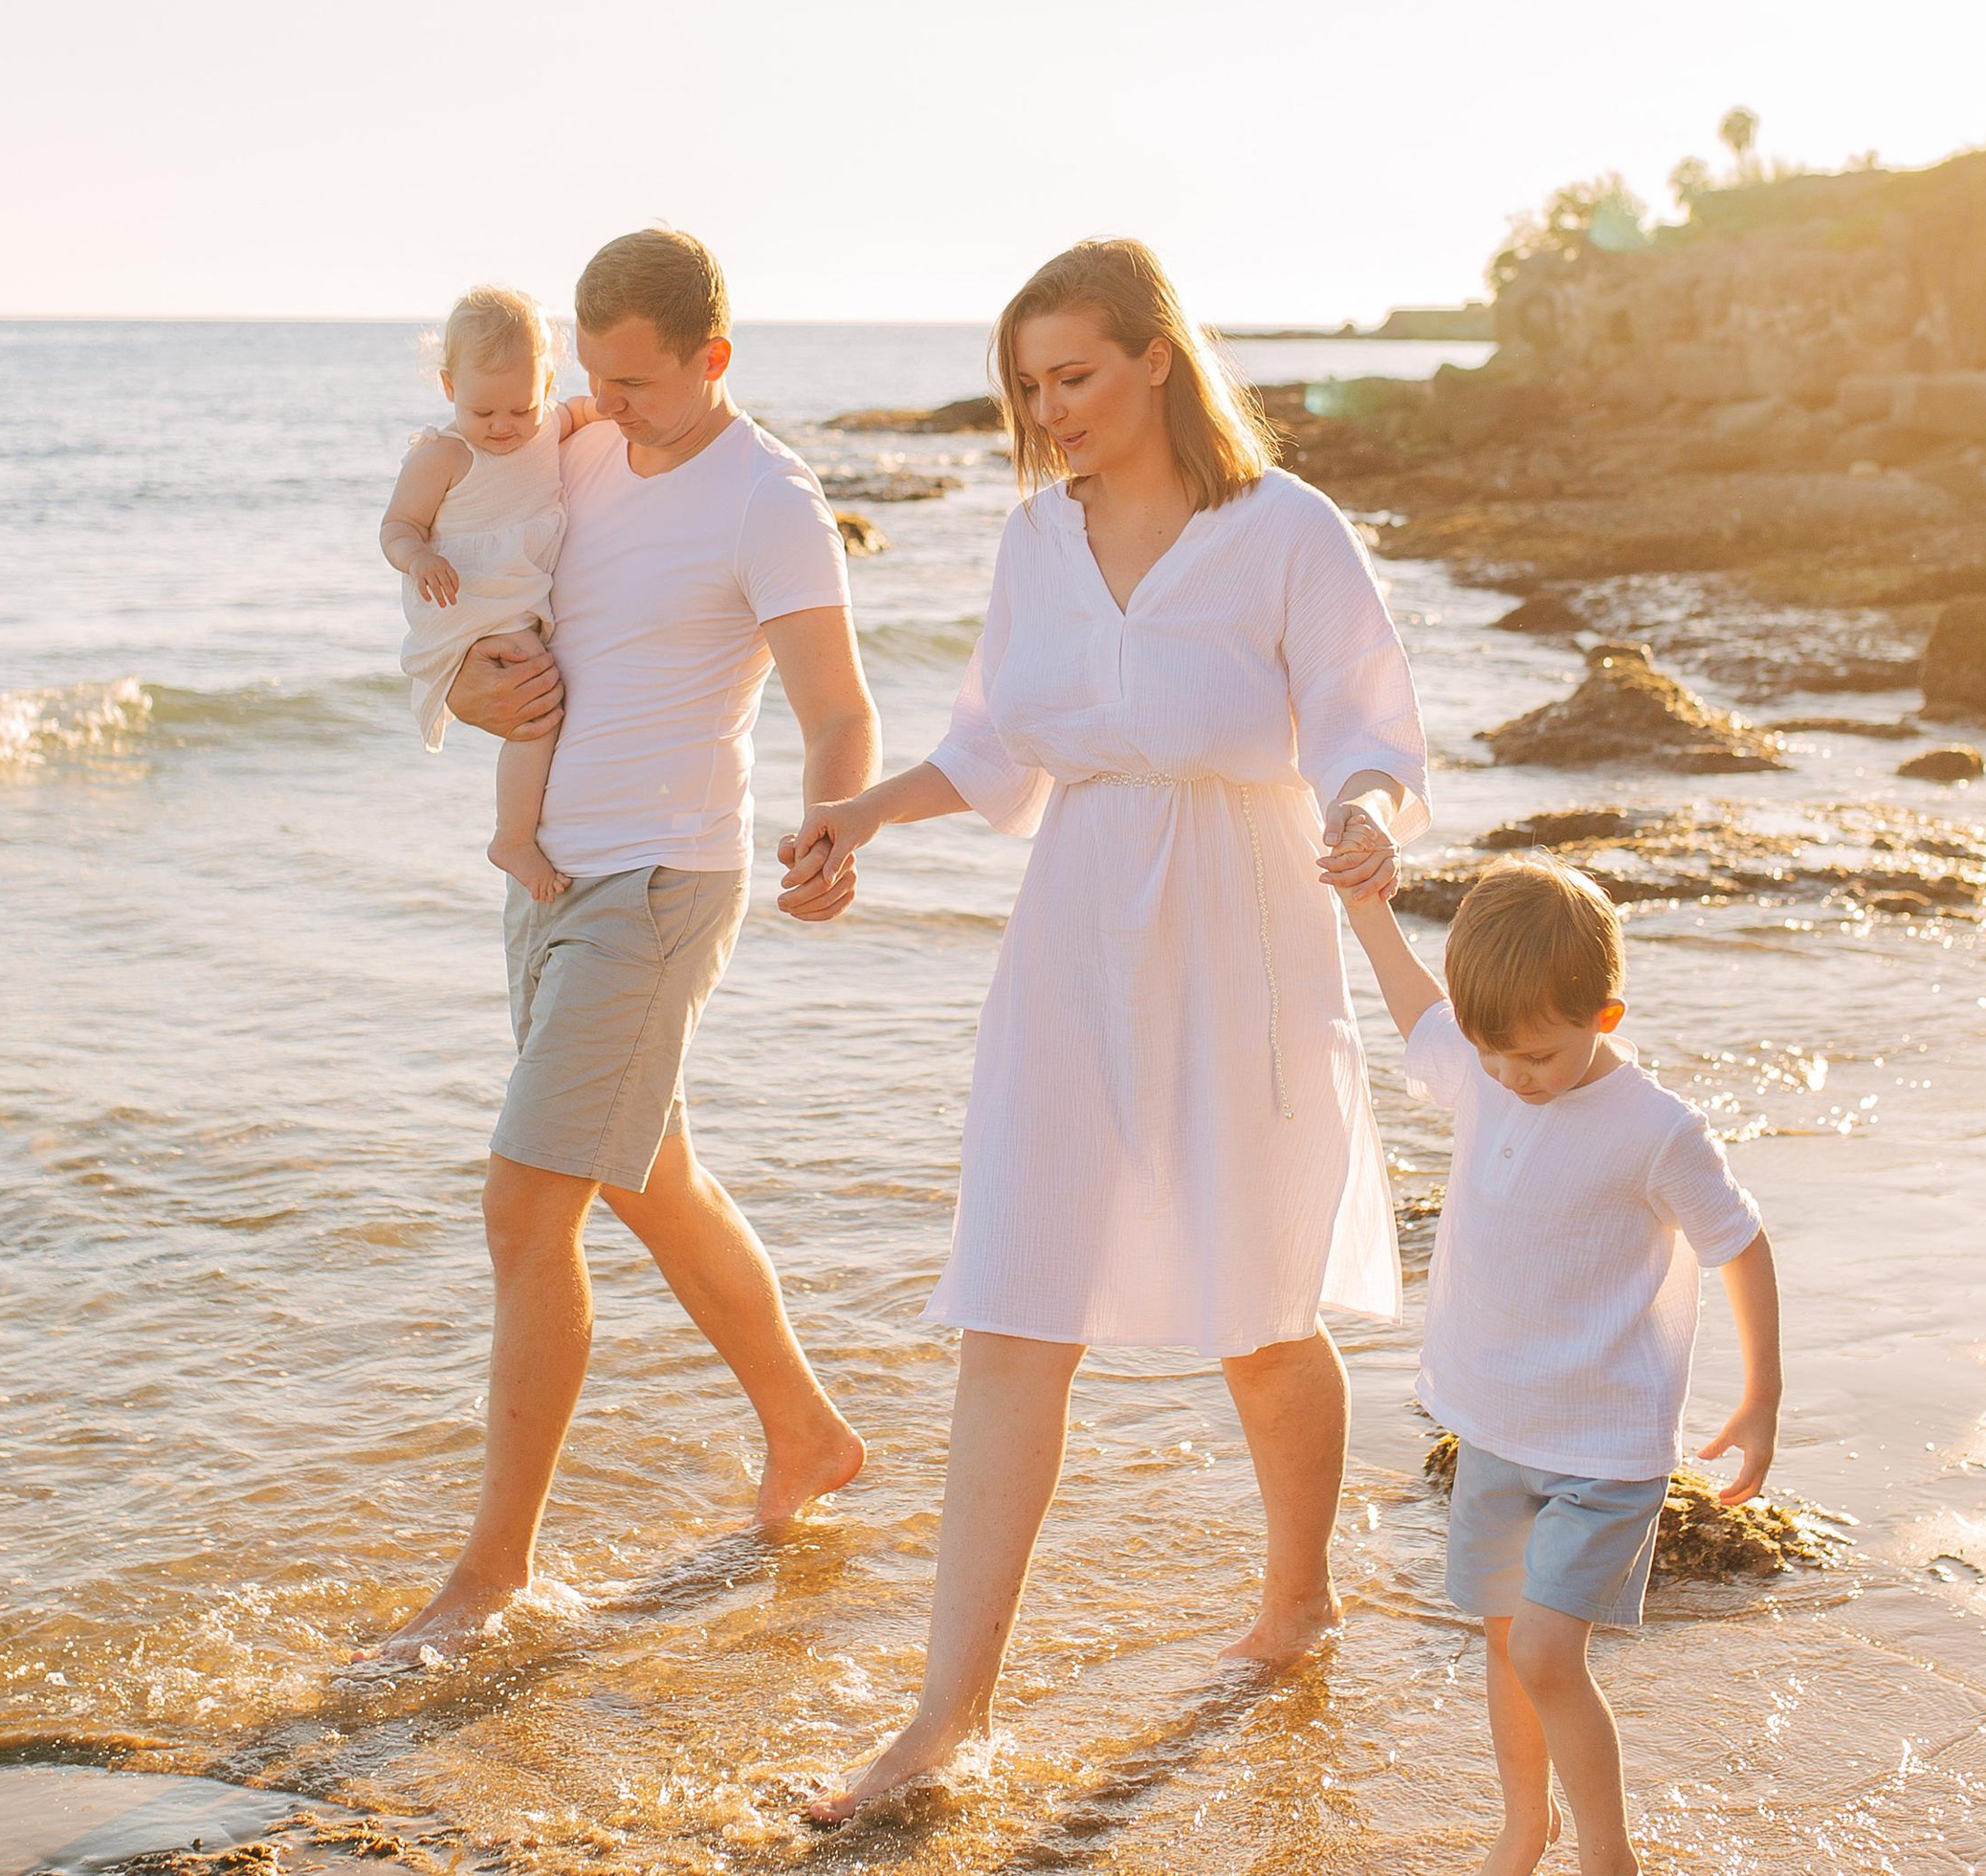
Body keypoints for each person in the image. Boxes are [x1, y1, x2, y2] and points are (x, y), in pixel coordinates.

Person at [789, 238, 1430, 1821]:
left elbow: (1366, 718)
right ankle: (950, 1717)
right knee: (1017, 1302)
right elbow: (999, 743)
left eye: (1073, 374)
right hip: (1074, 933)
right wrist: (864, 812)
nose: (1050, 409)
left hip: (1247, 928)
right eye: (1029, 385)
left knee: (1262, 1315)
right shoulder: (1032, 543)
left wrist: (1360, 805)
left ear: (1157, 357)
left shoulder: (1284, 530)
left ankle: (1299, 1600)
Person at [370, 228, 879, 1662]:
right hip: (547, 882)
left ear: (714, 360)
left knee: (527, 1210)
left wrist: (839, 830)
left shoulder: (768, 496)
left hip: (658, 886)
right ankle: (808, 1432)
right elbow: (474, 582)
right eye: (591, 377)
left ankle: (491, 1577)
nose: (603, 406)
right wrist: (469, 690)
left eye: (639, 382)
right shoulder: (579, 441)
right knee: (652, 1174)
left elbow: (839, 707)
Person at [1341, 854, 1782, 1876]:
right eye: (1492, 1053)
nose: (1511, 1077)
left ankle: (1606, 1856)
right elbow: (1416, 1009)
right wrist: (1365, 911)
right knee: (1503, 1641)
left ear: (1605, 1016)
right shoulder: (1488, 1060)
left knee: (1544, 1650)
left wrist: (1760, 1395)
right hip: (1494, 1429)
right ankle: (1521, 1828)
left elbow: (1738, 1243)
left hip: (1604, 1449)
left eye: (1536, 1055)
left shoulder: (1657, 1130)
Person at [379, 285, 601, 899]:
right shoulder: (444, 457)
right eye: (484, 413)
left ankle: (517, 831)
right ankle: (512, 836)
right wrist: (419, 557)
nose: (504, 427)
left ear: (547, 383)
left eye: (520, 409)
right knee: (536, 709)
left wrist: (615, 407)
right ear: (450, 389)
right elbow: (397, 527)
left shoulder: (547, 423)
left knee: (540, 703)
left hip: (514, 599)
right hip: (465, 603)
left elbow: (583, 412)